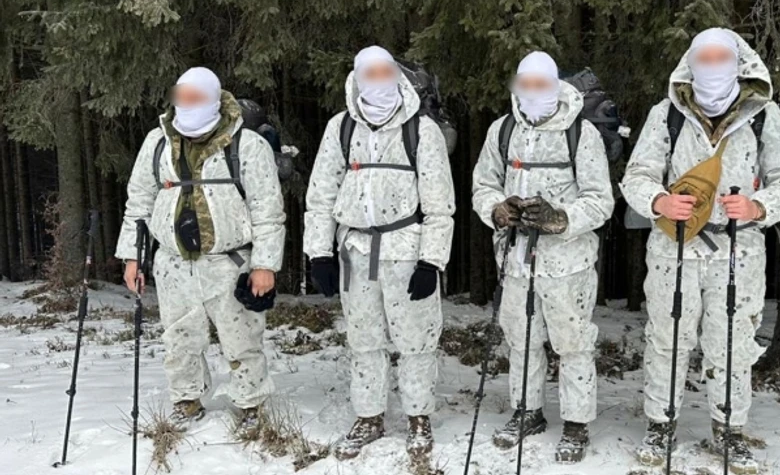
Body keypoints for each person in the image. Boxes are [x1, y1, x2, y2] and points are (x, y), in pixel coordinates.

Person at [621, 28, 780, 473]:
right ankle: (660, 424)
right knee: (666, 341)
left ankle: (730, 430)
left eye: (721, 57)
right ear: (690, 62)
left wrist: (758, 206)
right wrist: (659, 201)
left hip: (737, 250)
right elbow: (635, 175)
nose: (712, 65)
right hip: (673, 249)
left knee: (733, 345)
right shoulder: (666, 114)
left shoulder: (763, 116)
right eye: (703, 57)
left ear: (739, 62)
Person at [303, 46, 455, 460]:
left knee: (416, 341)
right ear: (357, 77)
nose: (378, 79)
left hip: (406, 250)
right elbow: (320, 196)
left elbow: (441, 205)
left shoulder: (421, 131)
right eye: (369, 72)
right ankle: (368, 416)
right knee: (364, 340)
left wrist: (431, 261)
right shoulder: (341, 128)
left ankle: (418, 417)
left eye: (385, 71)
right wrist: (319, 253)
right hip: (355, 252)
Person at [116, 67, 286, 433]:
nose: (186, 105)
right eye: (182, 97)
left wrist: (266, 264)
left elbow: (268, 210)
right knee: (178, 338)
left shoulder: (248, 145)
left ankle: (251, 404)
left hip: (230, 261)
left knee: (241, 338)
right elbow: (139, 203)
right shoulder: (157, 142)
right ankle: (186, 399)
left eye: (195, 98)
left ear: (213, 98)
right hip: (173, 262)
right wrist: (133, 256)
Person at [471, 51, 615, 463]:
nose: (533, 92)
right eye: (526, 84)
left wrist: (560, 218)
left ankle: (576, 423)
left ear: (555, 86)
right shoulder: (502, 131)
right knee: (522, 341)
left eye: (541, 85)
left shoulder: (580, 134)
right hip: (516, 260)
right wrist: (497, 209)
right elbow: (483, 184)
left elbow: (601, 200)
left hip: (567, 264)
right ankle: (527, 411)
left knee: (572, 345)